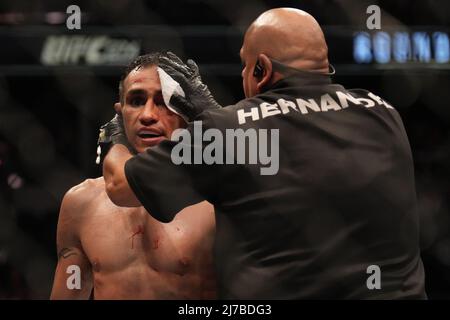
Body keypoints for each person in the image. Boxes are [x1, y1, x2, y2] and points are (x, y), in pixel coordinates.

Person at [102, 8, 426, 299]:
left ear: (262, 69)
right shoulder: (382, 112)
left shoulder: (228, 130)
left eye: (245, 65)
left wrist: (114, 137)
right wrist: (218, 119)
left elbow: (120, 186)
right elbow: (299, 156)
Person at [50, 53, 216, 300]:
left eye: (164, 102)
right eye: (137, 100)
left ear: (188, 111)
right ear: (120, 112)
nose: (148, 115)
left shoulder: (217, 199)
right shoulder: (81, 203)